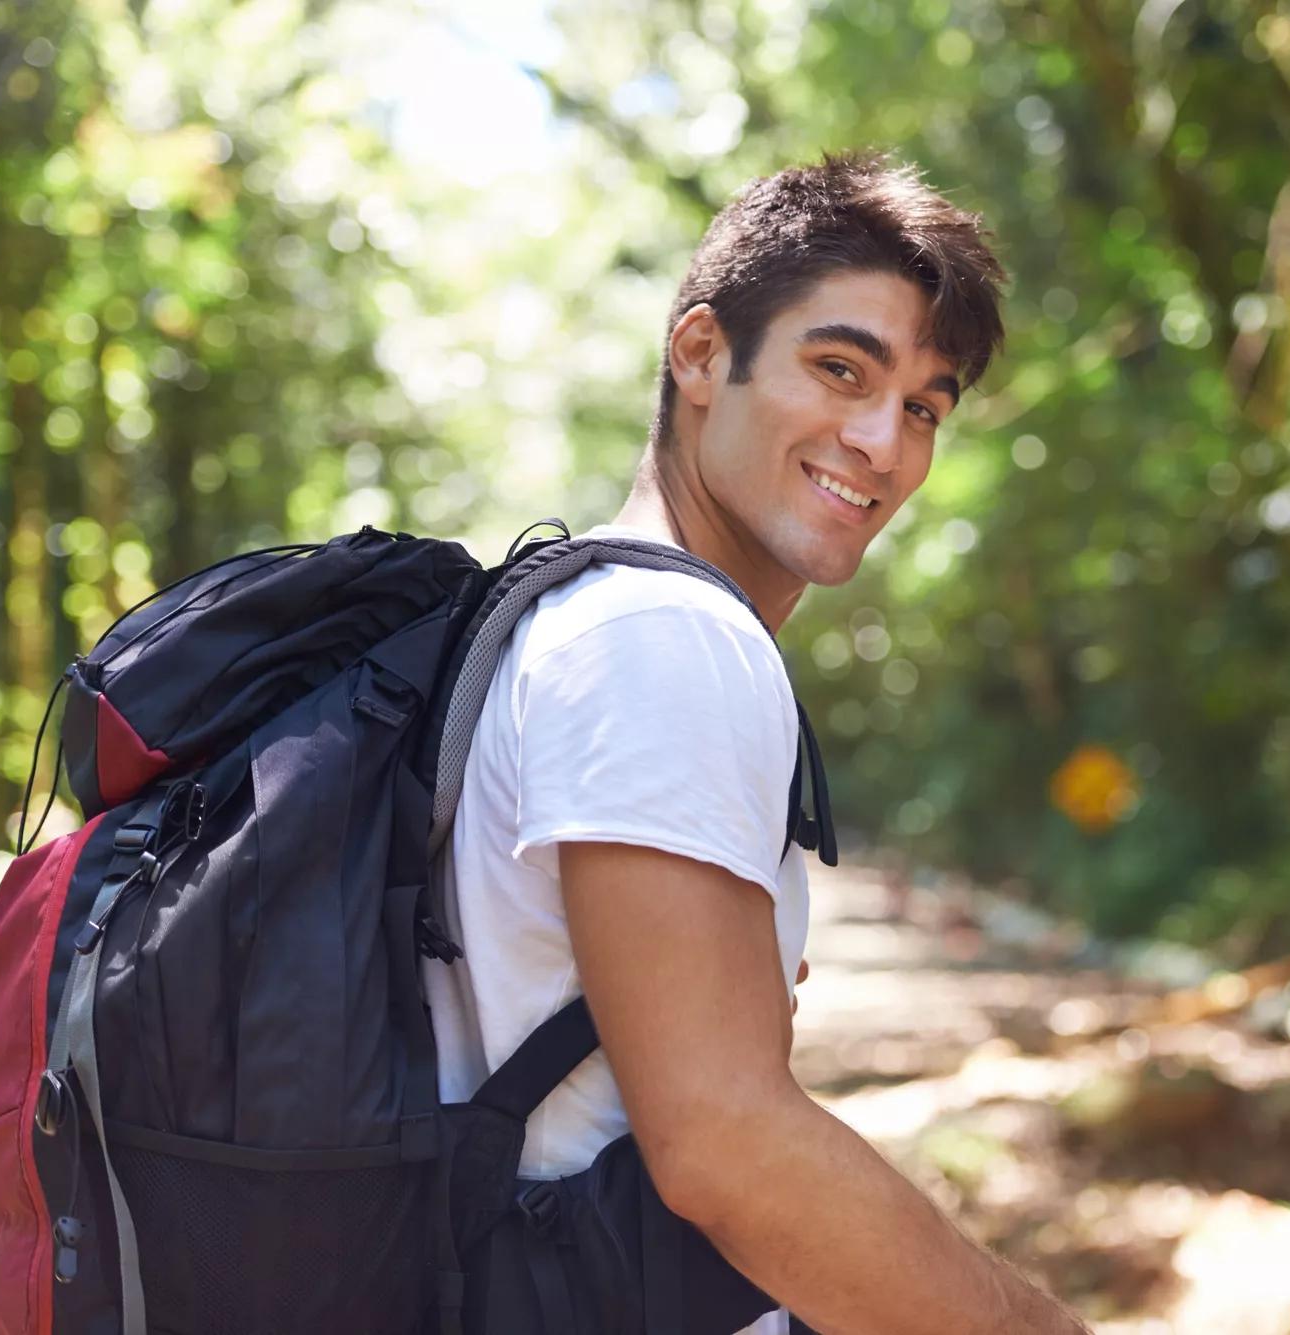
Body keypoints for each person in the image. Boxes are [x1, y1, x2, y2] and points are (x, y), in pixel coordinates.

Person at [424, 151, 1088, 1335]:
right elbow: (724, 1145)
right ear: (698, 356)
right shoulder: (663, 638)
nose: (881, 441)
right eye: (840, 369)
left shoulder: (564, 610)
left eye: (923, 407)